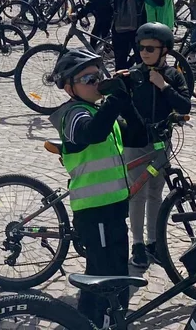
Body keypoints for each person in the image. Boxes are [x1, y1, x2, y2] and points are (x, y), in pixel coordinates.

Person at [47, 47, 147, 327]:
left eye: (99, 76)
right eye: (89, 79)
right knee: (105, 277)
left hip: (114, 209)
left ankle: (99, 322)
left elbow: (138, 135)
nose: (97, 83)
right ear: (69, 88)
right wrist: (114, 100)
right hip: (94, 211)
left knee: (112, 275)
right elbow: (91, 133)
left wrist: (125, 99)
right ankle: (94, 322)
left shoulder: (99, 111)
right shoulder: (73, 115)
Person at [126, 23, 192, 268]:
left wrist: (163, 86)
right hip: (135, 143)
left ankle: (154, 242)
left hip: (161, 143)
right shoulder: (133, 75)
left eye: (150, 48)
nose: (144, 53)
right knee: (137, 195)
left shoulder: (174, 76)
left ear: (164, 51)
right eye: (141, 48)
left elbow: (185, 106)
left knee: (155, 193)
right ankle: (137, 244)